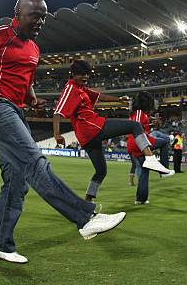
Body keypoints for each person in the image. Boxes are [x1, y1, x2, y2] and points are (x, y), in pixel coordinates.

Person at [0, 0, 126, 264]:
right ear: (18, 14)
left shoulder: (33, 48)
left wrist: (31, 99)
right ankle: (85, 218)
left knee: (16, 182)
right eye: (35, 15)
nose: (41, 21)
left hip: (16, 110)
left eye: (44, 16)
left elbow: (25, 79)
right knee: (35, 161)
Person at [53, 60, 171, 201]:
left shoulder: (81, 88)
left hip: (87, 137)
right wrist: (56, 134)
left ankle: (87, 204)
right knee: (134, 126)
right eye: (82, 74)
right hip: (92, 127)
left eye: (87, 74)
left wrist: (118, 100)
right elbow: (57, 112)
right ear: (73, 74)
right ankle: (150, 159)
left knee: (101, 171)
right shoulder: (70, 88)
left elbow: (100, 96)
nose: (85, 77)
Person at [127, 91, 175, 205]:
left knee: (144, 170)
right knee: (163, 142)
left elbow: (141, 125)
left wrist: (152, 123)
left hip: (137, 142)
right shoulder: (139, 113)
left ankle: (141, 199)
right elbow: (136, 126)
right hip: (140, 142)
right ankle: (163, 170)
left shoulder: (139, 113)